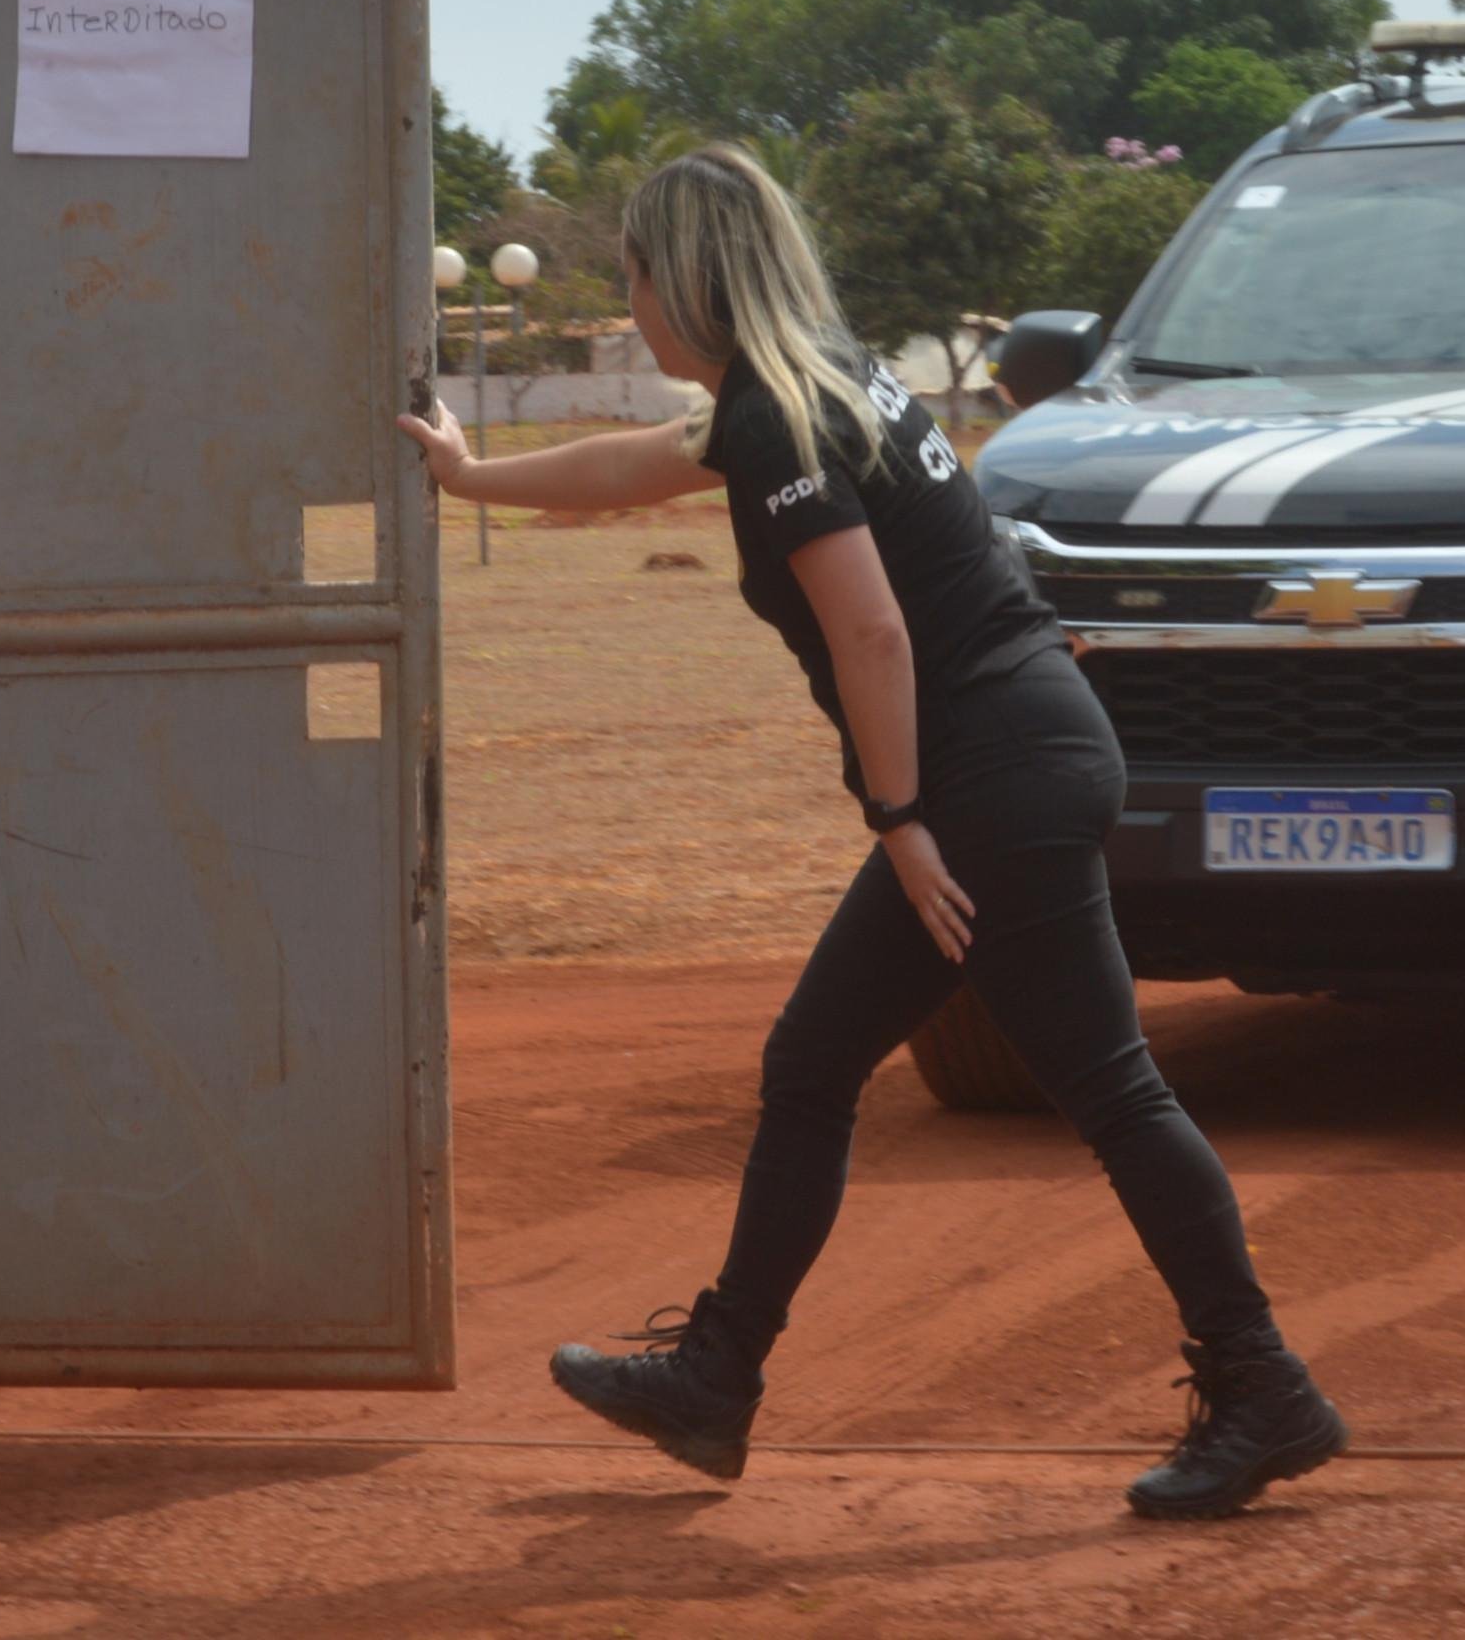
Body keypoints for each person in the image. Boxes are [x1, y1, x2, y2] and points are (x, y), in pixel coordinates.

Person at [395, 145, 1345, 1519]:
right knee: (818, 1060)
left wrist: (899, 819)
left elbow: (872, 627)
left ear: (687, 279)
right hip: (1020, 748)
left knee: (1111, 1092)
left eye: (636, 274)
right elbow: (640, 463)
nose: (634, 299)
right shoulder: (816, 383)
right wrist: (469, 480)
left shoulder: (782, 415)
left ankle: (1264, 1389)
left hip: (986, 781)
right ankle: (718, 1378)